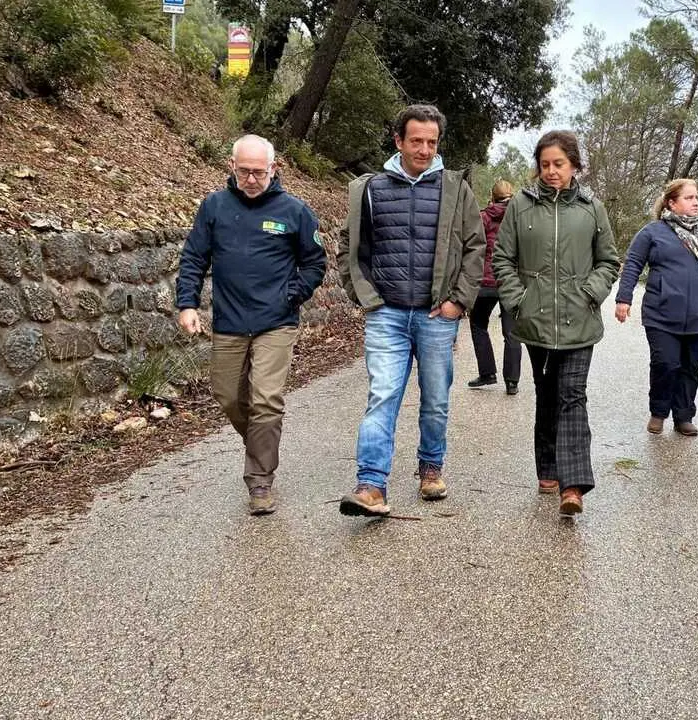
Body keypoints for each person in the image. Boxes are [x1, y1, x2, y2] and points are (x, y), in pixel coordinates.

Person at [338, 104, 485, 518]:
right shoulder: (368, 189)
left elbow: (476, 248)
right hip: (386, 314)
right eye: (416, 140)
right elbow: (350, 250)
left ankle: (431, 467)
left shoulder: (456, 189)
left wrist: (459, 301)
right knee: (382, 395)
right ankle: (370, 485)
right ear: (398, 141)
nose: (424, 149)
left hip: (438, 314)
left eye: (431, 142)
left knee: (435, 399)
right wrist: (365, 297)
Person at [175, 134, 326, 515]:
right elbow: (194, 257)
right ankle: (261, 444)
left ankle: (260, 482)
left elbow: (315, 263)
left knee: (265, 400)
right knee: (227, 394)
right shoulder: (214, 207)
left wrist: (291, 295)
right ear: (232, 167)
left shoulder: (294, 211)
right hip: (228, 320)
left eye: (259, 172)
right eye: (245, 171)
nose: (252, 178)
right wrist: (187, 304)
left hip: (276, 321)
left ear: (274, 169)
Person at [493, 130, 620, 516]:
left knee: (572, 394)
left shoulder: (591, 207)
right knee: (548, 393)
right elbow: (503, 259)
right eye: (545, 164)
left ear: (575, 166)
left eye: (559, 164)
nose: (551, 171)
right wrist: (520, 301)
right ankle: (547, 467)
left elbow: (609, 261)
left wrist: (588, 293)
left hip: (580, 321)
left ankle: (574, 484)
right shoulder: (520, 205)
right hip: (536, 322)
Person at [614, 179, 698, 436]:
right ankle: (659, 411)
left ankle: (683, 416)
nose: (695, 202)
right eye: (689, 197)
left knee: (690, 368)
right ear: (672, 203)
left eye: (696, 197)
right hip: (661, 315)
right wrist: (623, 299)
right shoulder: (653, 232)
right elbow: (633, 264)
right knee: (666, 364)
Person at [467, 180, 523, 395]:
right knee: (512, 332)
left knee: (478, 324)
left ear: (493, 196)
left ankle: (487, 373)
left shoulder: (483, 217)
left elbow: (472, 247)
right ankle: (512, 382)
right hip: (510, 281)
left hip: (486, 282)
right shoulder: (520, 217)